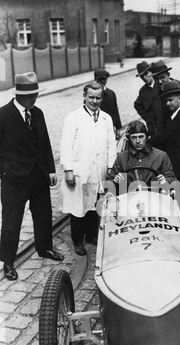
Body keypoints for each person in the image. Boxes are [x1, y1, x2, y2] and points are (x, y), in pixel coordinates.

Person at [0, 72, 64, 280]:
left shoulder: (37, 113)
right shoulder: (3, 115)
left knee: (43, 215)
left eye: (36, 94)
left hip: (38, 175)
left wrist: (51, 170)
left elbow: (45, 143)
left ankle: (44, 248)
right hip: (14, 179)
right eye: (30, 95)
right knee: (11, 222)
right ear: (18, 95)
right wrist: (4, 171)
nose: (34, 98)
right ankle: (7, 262)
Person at [59, 83, 116, 256]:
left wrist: (111, 166)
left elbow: (111, 144)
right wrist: (68, 169)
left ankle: (91, 236)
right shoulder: (74, 117)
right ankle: (78, 240)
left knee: (95, 204)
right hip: (80, 169)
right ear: (84, 96)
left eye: (98, 97)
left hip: (99, 170)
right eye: (91, 97)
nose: (94, 101)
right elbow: (65, 145)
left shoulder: (106, 118)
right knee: (79, 207)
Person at [108, 121, 176, 189]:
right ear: (129, 139)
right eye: (134, 137)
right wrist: (115, 181)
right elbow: (110, 182)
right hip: (130, 196)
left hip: (155, 196)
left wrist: (165, 180)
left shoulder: (161, 156)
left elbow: (172, 179)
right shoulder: (121, 158)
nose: (138, 141)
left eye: (141, 137)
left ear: (147, 137)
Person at [150, 60, 180, 144]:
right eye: (156, 79)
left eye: (162, 77)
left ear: (168, 75)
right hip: (166, 140)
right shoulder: (155, 95)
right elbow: (154, 118)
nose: (160, 81)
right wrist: (157, 131)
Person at [158, 80, 180, 185]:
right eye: (166, 101)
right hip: (176, 167)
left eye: (170, 100)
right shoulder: (173, 115)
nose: (167, 104)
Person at [94, 68, 122, 141]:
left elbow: (115, 111)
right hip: (97, 128)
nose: (102, 81)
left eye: (104, 79)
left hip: (110, 127)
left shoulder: (111, 93)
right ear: (95, 80)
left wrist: (118, 127)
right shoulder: (91, 94)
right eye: (100, 79)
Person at [133, 61, 159, 139]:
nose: (144, 77)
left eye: (146, 74)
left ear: (151, 72)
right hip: (152, 127)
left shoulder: (160, 84)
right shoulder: (143, 91)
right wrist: (148, 117)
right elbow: (137, 105)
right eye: (142, 76)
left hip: (164, 123)